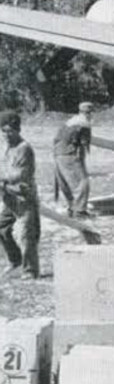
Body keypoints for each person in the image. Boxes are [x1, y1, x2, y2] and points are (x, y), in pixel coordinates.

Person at [0, 111, 40, 280]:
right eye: (3, 130)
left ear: (17, 130)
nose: (6, 134)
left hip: (24, 197)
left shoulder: (25, 149)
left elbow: (19, 175)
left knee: (26, 234)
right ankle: (15, 260)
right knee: (2, 228)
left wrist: (1, 179)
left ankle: (30, 270)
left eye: (10, 131)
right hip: (9, 197)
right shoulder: (6, 147)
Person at [53, 101, 94, 218]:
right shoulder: (84, 123)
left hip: (58, 153)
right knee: (83, 182)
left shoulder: (70, 121)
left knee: (65, 183)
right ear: (90, 113)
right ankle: (80, 211)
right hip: (69, 154)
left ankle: (71, 208)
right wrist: (80, 162)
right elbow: (84, 145)